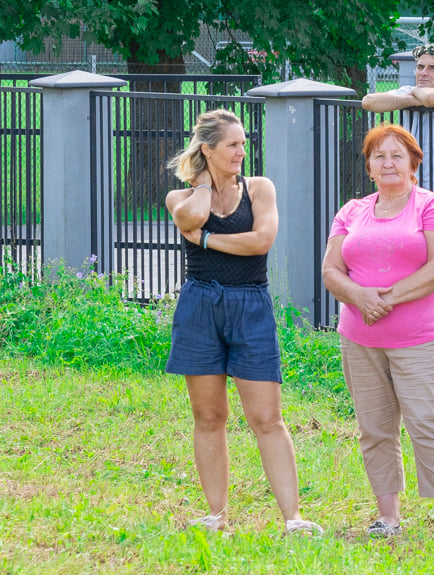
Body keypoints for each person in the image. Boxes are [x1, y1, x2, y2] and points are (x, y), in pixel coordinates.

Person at [164, 109, 321, 535]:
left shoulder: (259, 189)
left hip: (251, 305)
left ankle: (293, 518)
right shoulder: (180, 197)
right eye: (232, 144)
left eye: (244, 143)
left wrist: (211, 241)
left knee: (267, 417)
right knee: (208, 416)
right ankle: (217, 516)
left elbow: (260, 242)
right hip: (200, 306)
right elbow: (191, 219)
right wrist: (200, 181)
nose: (241, 151)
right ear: (207, 149)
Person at [322, 123, 434, 539]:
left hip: (418, 337)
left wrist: (386, 299)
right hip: (359, 338)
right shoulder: (351, 211)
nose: (387, 162)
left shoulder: (431, 205)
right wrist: (360, 297)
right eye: (378, 156)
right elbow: (332, 271)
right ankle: (387, 516)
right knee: (375, 428)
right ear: (368, 166)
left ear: (412, 164)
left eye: (396, 155)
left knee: (426, 421)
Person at [361, 42, 434, 305]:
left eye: (432, 68)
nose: (423, 72)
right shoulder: (412, 92)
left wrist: (412, 97)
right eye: (420, 66)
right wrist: (414, 96)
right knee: (415, 271)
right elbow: (370, 102)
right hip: (412, 204)